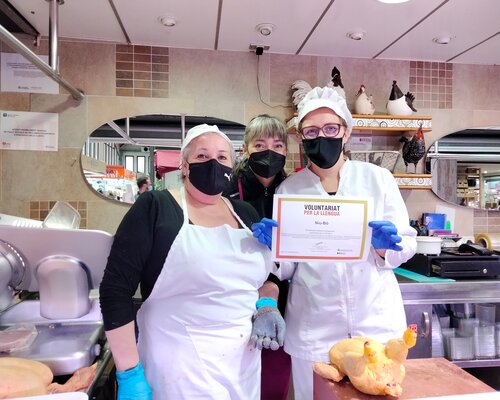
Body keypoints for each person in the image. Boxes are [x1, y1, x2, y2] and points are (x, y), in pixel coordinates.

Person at [99, 124, 285, 400]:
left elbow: (262, 280)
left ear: (232, 166)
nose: (213, 163)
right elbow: (115, 291)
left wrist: (267, 303)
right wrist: (128, 371)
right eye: (202, 156)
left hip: (242, 365)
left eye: (222, 157)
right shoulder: (156, 207)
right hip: (179, 367)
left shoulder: (246, 214)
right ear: (184, 166)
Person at [274, 87, 417, 399]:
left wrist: (385, 247)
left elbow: (406, 246)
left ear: (346, 132)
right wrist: (272, 249)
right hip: (315, 328)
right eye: (311, 131)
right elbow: (286, 268)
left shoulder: (378, 180)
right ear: (301, 137)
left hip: (375, 327)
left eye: (330, 129)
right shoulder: (289, 190)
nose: (321, 137)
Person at [223, 114, 291, 400]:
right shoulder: (228, 189)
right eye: (260, 145)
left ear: (286, 150)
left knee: (274, 381)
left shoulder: (295, 191)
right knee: (235, 381)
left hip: (282, 299)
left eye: (277, 145)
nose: (269, 152)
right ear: (246, 149)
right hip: (235, 297)